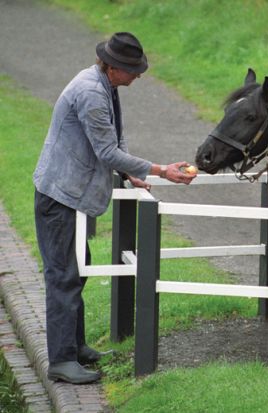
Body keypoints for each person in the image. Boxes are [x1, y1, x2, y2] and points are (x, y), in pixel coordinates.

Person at [33, 32, 196, 384]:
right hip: (59, 194)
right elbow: (106, 151)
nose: (138, 76)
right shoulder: (92, 92)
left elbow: (112, 141)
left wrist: (130, 172)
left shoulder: (105, 85)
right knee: (63, 276)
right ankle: (61, 360)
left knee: (79, 269)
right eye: (133, 70)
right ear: (115, 67)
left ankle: (75, 347)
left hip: (68, 192)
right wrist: (158, 170)